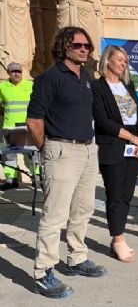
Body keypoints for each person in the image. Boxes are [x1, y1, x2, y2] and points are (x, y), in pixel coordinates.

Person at [26, 26, 106, 299]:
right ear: (64, 46)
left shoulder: (84, 76)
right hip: (61, 150)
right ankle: (43, 271)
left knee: (83, 210)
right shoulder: (50, 77)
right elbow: (34, 120)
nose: (84, 49)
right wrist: (47, 148)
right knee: (55, 216)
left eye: (88, 46)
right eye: (79, 45)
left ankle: (76, 258)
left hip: (86, 150)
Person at [92, 45, 138, 262]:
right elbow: (103, 120)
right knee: (115, 195)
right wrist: (132, 137)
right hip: (113, 146)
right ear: (107, 61)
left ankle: (118, 236)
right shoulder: (98, 87)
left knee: (127, 194)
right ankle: (118, 240)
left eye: (126, 60)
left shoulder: (127, 84)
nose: (124, 63)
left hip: (133, 146)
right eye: (120, 59)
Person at [0, 62, 35, 190]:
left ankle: (36, 177)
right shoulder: (2, 86)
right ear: (8, 73)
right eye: (13, 71)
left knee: (32, 154)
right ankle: (11, 180)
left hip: (28, 126)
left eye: (19, 71)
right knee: (10, 155)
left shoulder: (30, 85)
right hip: (9, 126)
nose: (16, 74)